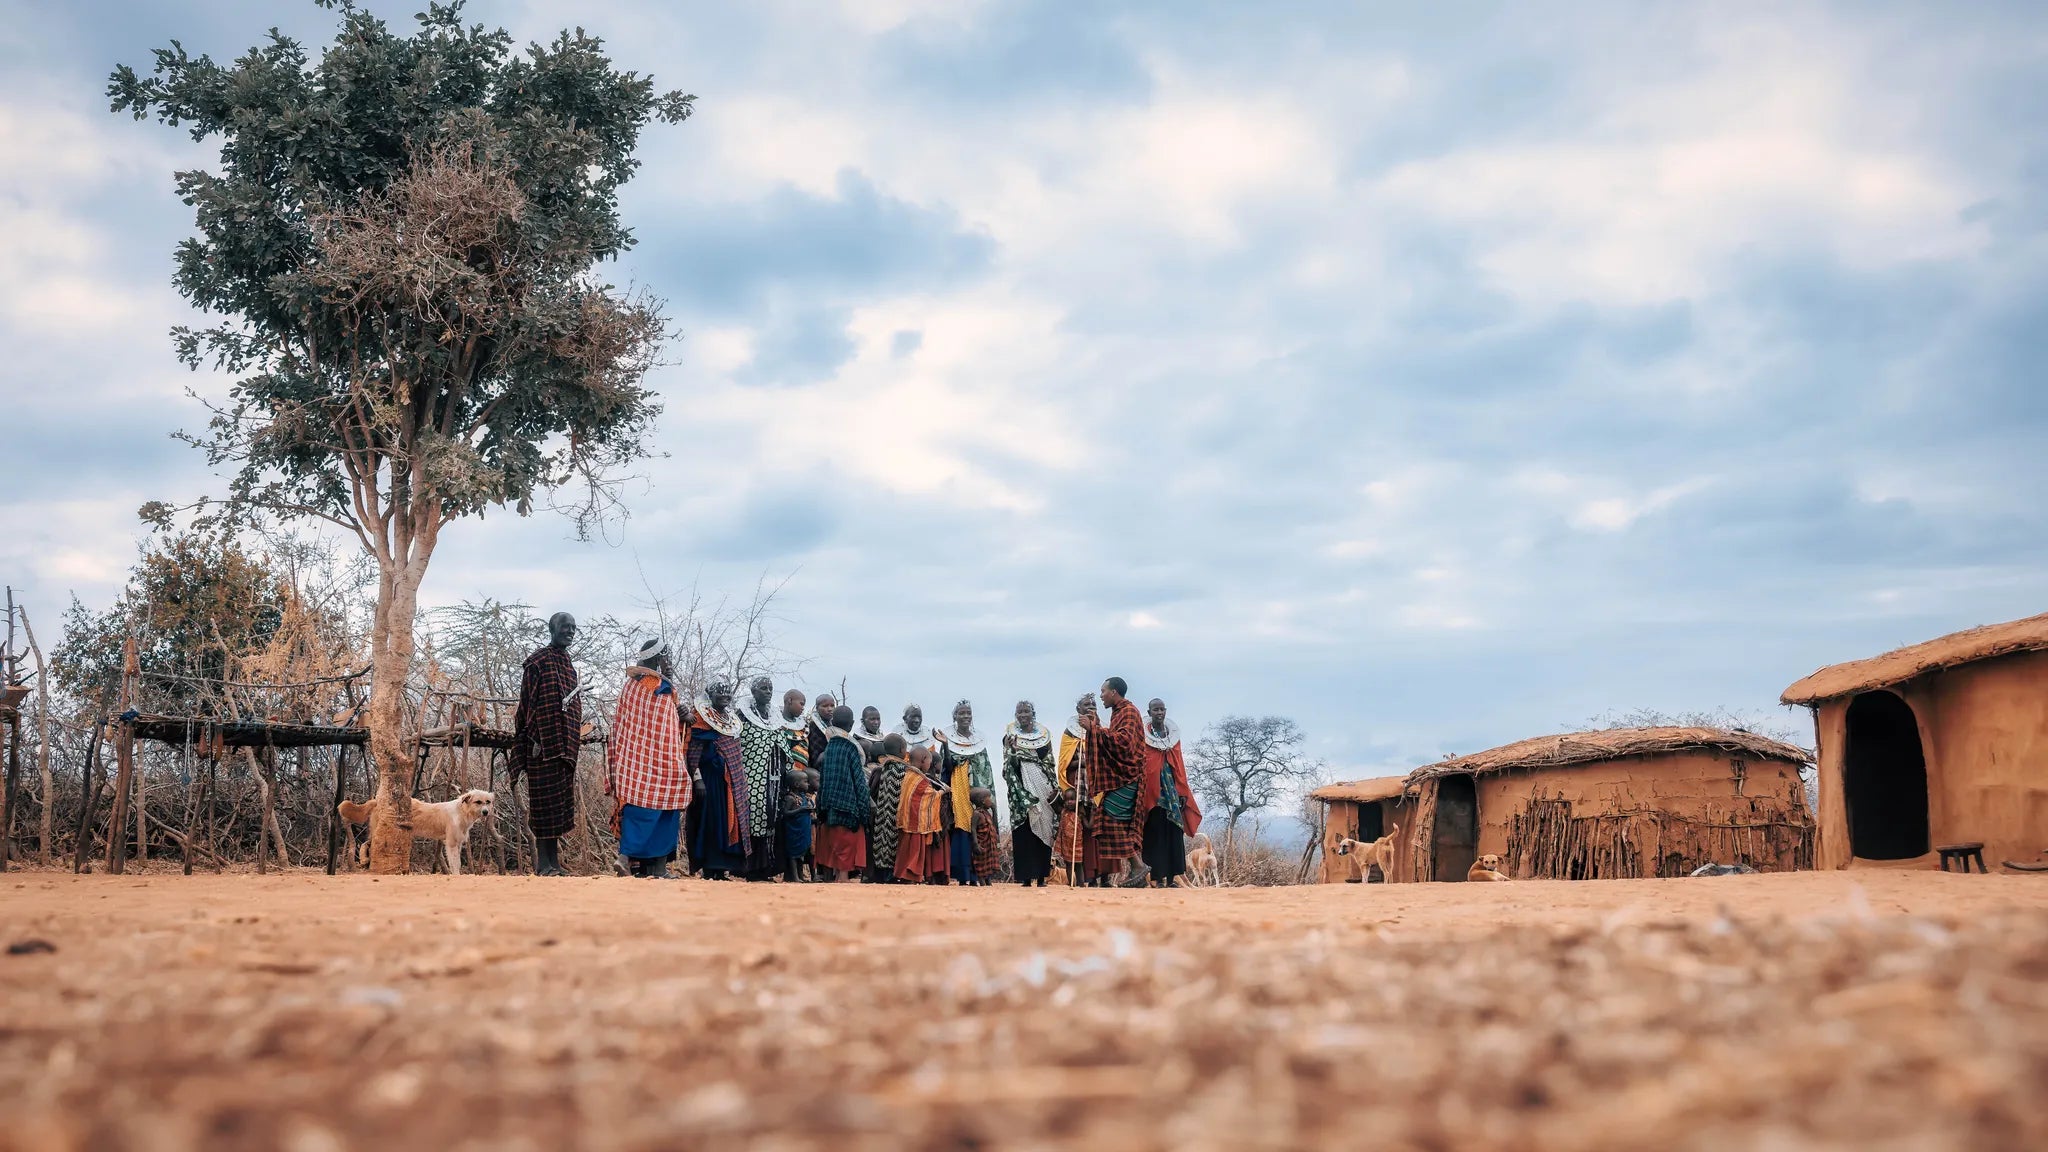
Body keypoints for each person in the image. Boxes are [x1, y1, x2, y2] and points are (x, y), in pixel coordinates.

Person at [604, 637, 690, 879]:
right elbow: (663, 728)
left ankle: (632, 860)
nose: (669, 661)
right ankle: (651, 866)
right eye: (666, 657)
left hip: (633, 762)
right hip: (662, 760)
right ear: (658, 658)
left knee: (640, 809)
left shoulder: (630, 686)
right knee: (663, 808)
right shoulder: (660, 687)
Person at [512, 611, 582, 876]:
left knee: (558, 806)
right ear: (552, 628)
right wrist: (532, 738)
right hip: (541, 746)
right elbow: (527, 704)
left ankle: (554, 864)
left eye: (574, 628)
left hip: (564, 747)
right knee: (543, 805)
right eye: (566, 627)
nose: (570, 632)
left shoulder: (566, 663)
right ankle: (543, 865)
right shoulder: (538, 662)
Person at [1080, 677, 1147, 888]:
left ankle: (1138, 865)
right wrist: (1096, 725)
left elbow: (1123, 742)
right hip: (1123, 777)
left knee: (1109, 817)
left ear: (1114, 692)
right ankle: (1137, 869)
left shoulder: (1128, 711)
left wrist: (1094, 729)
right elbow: (1113, 739)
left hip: (1129, 775)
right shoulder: (1119, 712)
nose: (1101, 696)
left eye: (1103, 691)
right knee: (1113, 820)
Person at [687, 682, 750, 879]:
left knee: (728, 821)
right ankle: (709, 867)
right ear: (710, 694)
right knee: (711, 821)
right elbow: (692, 752)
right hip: (709, 781)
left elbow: (735, 753)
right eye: (719, 692)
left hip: (730, 783)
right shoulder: (700, 718)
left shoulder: (731, 720)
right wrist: (698, 780)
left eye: (727, 692)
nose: (725, 695)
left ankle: (722, 868)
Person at [1137, 698, 1202, 888]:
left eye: (1162, 709)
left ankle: (1172, 878)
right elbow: (1144, 762)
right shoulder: (1144, 736)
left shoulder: (1172, 737)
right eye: (1155, 710)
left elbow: (1179, 765)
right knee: (1154, 833)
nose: (1159, 713)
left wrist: (1182, 791)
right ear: (1149, 713)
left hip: (1172, 793)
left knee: (1174, 832)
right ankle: (1156, 878)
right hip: (1153, 793)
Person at [735, 676, 793, 881]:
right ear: (753, 691)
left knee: (772, 818)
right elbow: (741, 745)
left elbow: (782, 744)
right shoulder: (742, 717)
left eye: (770, 688)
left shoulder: (774, 717)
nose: (768, 691)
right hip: (752, 776)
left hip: (775, 777)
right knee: (754, 816)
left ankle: (766, 869)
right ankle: (750, 868)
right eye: (763, 688)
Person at [1001, 700, 1058, 886]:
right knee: (1024, 830)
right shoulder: (1009, 737)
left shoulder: (1044, 737)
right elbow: (1008, 767)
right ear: (1015, 715)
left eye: (1026, 711)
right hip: (1021, 792)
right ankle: (1026, 877)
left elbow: (1049, 763)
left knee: (1044, 828)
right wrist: (1012, 751)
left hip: (1043, 786)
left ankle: (1042, 876)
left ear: (1033, 714)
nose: (1023, 715)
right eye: (1019, 712)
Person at [935, 700, 990, 886]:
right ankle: (964, 874)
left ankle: (980, 875)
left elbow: (985, 769)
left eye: (968, 713)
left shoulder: (979, 741)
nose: (965, 716)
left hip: (977, 791)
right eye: (961, 713)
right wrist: (945, 746)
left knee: (979, 826)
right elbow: (948, 767)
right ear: (955, 717)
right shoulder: (948, 740)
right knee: (962, 826)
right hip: (959, 789)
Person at [812, 705, 871, 881]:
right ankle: (843, 880)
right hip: (848, 805)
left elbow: (823, 780)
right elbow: (859, 782)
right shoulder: (852, 748)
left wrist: (820, 805)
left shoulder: (829, 747)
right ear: (852, 724)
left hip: (829, 803)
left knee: (833, 843)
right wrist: (864, 808)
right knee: (846, 845)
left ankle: (835, 878)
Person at [1055, 694, 1102, 885]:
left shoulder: (1102, 730)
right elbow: (1064, 762)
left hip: (1098, 786)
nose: (1090, 707)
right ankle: (1080, 877)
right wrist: (1083, 760)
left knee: (1095, 831)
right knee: (1077, 831)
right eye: (1086, 705)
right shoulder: (1070, 733)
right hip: (1077, 786)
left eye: (1093, 704)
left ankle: (1098, 875)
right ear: (1078, 710)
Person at [894, 744, 950, 884]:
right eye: (929, 762)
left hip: (906, 819)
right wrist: (944, 791)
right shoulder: (920, 779)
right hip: (915, 822)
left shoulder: (908, 775)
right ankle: (910, 876)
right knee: (914, 851)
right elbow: (929, 796)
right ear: (923, 760)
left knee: (905, 851)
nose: (929, 765)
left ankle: (904, 876)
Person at [867, 733, 910, 882]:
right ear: (901, 750)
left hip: (882, 815)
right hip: (896, 816)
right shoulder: (904, 770)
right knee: (893, 844)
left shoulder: (882, 768)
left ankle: (881, 874)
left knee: (881, 844)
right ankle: (892, 875)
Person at [779, 765, 816, 883]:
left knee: (801, 854)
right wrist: (801, 810)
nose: (808, 784)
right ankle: (794, 876)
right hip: (794, 831)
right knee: (794, 854)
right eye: (805, 782)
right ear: (796, 784)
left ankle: (801, 875)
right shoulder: (790, 798)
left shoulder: (804, 797)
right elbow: (785, 812)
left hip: (803, 831)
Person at [970, 786, 1000, 886]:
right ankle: (982, 880)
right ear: (982, 801)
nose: (991, 801)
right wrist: (975, 844)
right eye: (989, 798)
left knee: (989, 862)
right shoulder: (977, 814)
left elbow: (994, 826)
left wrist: (994, 810)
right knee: (981, 863)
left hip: (989, 845)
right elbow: (973, 829)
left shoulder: (987, 813)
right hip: (981, 844)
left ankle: (988, 880)